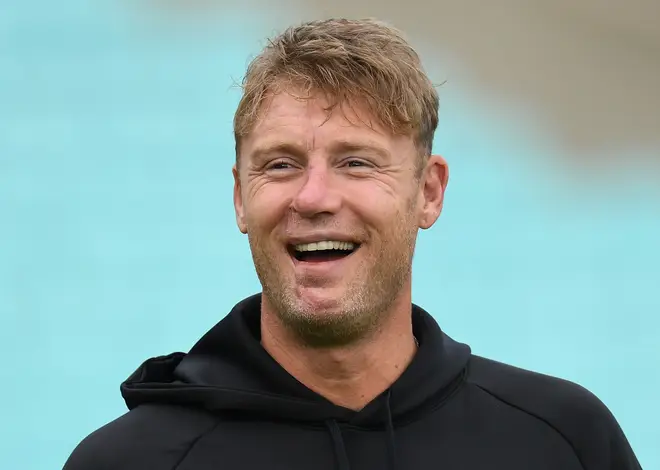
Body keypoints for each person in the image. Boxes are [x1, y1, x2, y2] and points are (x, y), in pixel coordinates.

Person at [63, 18, 642, 470]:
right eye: (281, 164)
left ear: (429, 192)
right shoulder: (128, 464)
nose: (314, 197)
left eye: (356, 162)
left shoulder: (563, 443)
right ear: (241, 197)